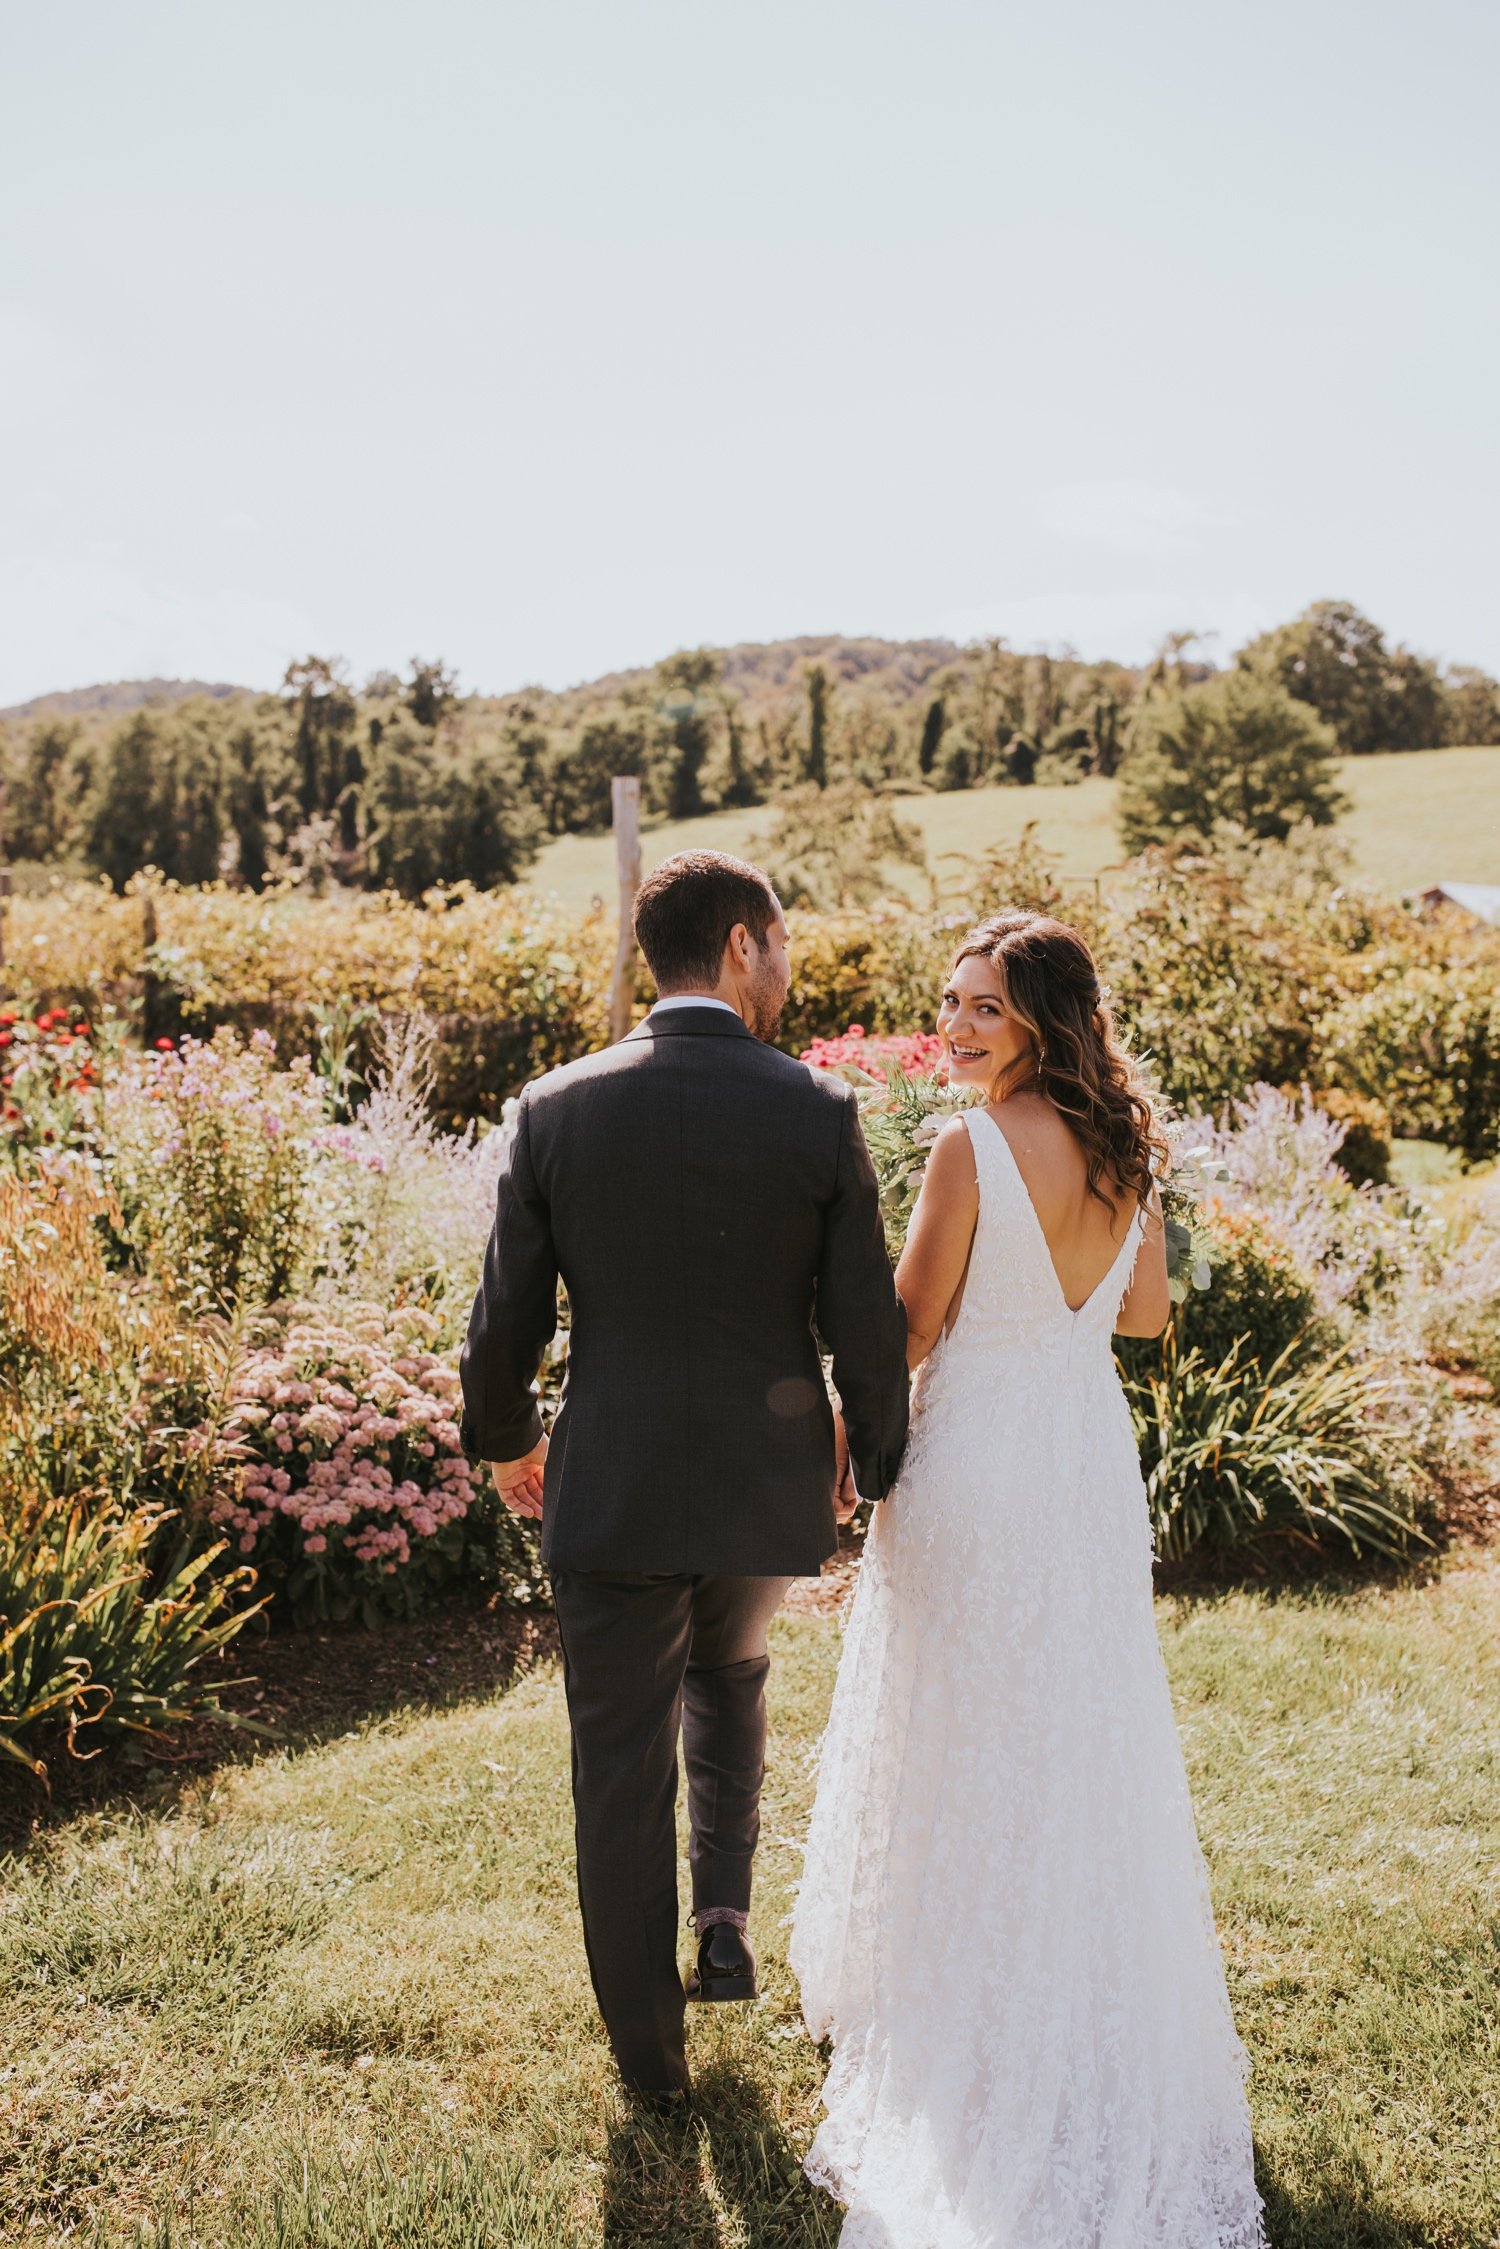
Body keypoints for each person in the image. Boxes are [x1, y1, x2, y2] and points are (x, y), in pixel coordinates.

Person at [790, 911, 1266, 2248]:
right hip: (1081, 1460)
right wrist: (1062, 1281)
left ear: (1043, 1020)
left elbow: (911, 1324)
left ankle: (955, 1999)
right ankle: (1070, 1978)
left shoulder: (968, 1146)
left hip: (978, 1458)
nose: (953, 1027)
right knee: (1076, 1728)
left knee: (950, 1725)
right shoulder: (1126, 1148)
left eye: (982, 1008)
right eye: (949, 1003)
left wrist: (839, 1418)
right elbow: (1146, 1315)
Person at [460, 849, 908, 2104]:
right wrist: (873, 1462)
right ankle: (724, 1912)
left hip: (610, 1490)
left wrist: (504, 1438)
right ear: (738, 944)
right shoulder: (816, 1109)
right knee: (732, 1669)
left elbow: (505, 1320)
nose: (788, 970)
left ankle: (653, 2068)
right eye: (784, 945)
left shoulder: (555, 1106)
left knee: (618, 1769)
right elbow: (864, 1322)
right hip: (765, 1490)